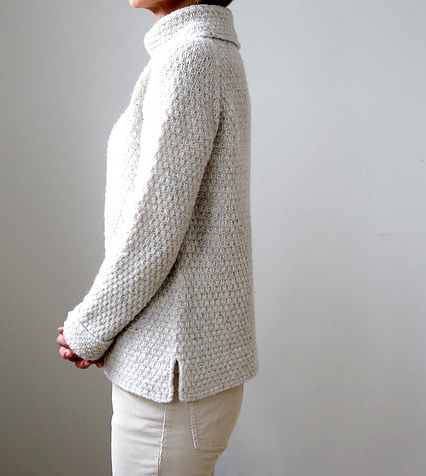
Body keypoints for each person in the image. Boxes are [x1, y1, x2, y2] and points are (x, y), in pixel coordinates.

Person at [56, 0, 259, 473]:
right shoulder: (205, 52)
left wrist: (90, 329)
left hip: (170, 375)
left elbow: (153, 231)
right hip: (178, 368)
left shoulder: (190, 59)